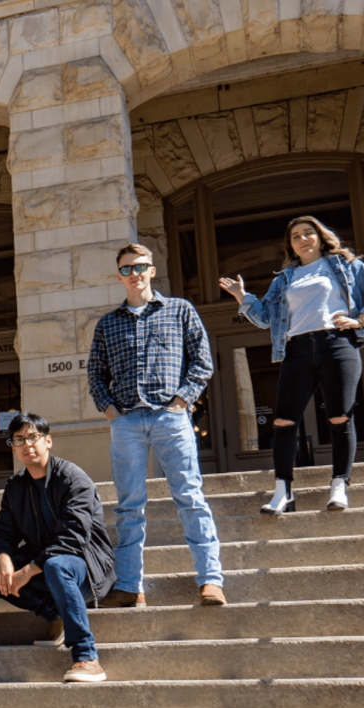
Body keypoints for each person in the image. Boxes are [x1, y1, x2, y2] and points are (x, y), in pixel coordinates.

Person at [220, 215, 364, 513]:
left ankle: (339, 485)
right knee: (283, 421)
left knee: (339, 417)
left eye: (308, 233)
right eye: (296, 236)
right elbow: (265, 318)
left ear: (320, 236)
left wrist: (361, 319)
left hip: (336, 343)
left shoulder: (344, 265)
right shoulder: (284, 279)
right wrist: (241, 296)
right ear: (290, 245)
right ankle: (283, 491)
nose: (303, 239)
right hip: (297, 348)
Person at [88, 243, 227, 608]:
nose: (134, 274)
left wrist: (182, 400)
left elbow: (202, 360)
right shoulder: (107, 324)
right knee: (129, 507)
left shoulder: (180, 310)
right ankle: (130, 586)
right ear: (119, 277)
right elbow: (96, 374)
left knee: (190, 498)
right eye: (127, 269)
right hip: (127, 422)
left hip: (171, 417)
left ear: (152, 271)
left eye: (140, 267)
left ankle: (210, 580)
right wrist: (111, 412)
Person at [0, 413, 115, 683]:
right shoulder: (16, 486)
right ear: (13, 448)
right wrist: (3, 557)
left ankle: (88, 657)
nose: (27, 444)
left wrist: (28, 570)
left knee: (56, 565)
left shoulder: (73, 478)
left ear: (48, 441)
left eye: (33, 437)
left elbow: (73, 537)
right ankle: (55, 615)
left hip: (86, 567)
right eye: (19, 440)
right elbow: (2, 532)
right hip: (47, 569)